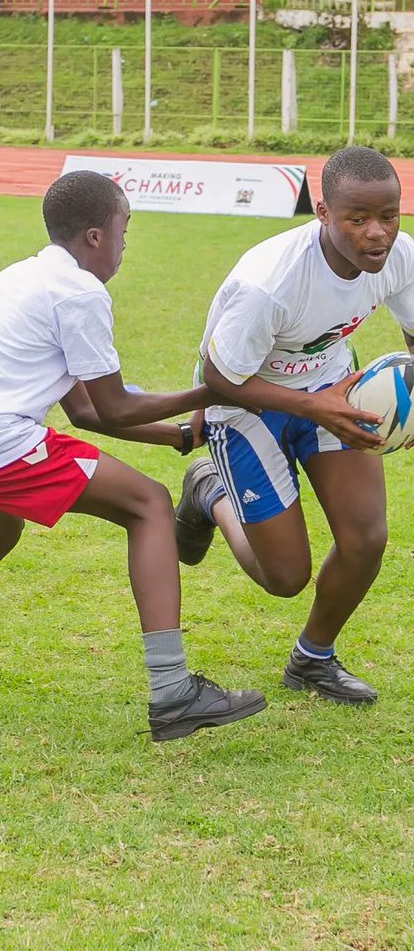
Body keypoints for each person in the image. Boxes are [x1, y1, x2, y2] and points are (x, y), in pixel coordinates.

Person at [0, 170, 266, 742]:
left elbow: (85, 413)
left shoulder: (25, 277)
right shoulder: (81, 293)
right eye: (124, 229)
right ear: (93, 236)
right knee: (151, 504)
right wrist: (216, 391)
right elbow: (111, 406)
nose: (126, 242)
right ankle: (173, 692)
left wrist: (180, 435)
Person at [175, 145, 414, 707]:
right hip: (242, 403)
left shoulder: (400, 256)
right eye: (358, 219)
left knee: (366, 539)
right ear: (322, 211)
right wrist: (315, 406)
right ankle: (207, 489)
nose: (376, 233)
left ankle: (313, 659)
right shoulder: (271, 282)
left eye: (389, 216)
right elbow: (218, 378)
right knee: (283, 577)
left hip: (333, 386)